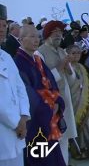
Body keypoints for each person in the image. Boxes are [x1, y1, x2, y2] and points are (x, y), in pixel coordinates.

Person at [14, 25, 66, 166]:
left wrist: (57, 101)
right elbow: (26, 92)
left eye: (37, 36)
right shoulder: (18, 62)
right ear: (21, 39)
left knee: (52, 154)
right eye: (31, 36)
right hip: (36, 119)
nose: (36, 40)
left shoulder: (37, 59)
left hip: (49, 113)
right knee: (40, 158)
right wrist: (49, 107)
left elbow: (51, 82)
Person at [38, 21, 77, 165]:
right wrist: (60, 66)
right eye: (55, 32)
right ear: (47, 34)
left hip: (64, 99)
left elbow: (71, 78)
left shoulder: (62, 51)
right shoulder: (40, 53)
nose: (58, 35)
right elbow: (42, 81)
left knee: (64, 138)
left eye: (60, 32)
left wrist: (68, 68)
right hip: (50, 103)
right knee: (53, 139)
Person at [0, 4, 30, 166]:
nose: (2, 29)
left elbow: (20, 88)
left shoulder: (6, 56)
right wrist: (17, 123)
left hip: (18, 131)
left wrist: (24, 116)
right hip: (4, 133)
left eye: (4, 25)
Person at [66, 45, 89, 159]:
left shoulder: (82, 67)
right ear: (67, 54)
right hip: (73, 101)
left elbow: (87, 84)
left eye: (78, 53)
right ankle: (79, 150)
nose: (76, 55)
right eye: (73, 53)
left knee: (88, 125)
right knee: (77, 125)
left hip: (85, 101)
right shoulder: (66, 67)